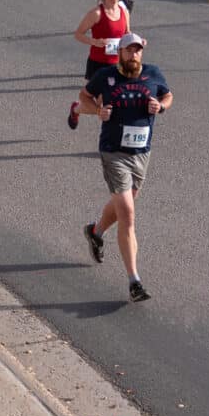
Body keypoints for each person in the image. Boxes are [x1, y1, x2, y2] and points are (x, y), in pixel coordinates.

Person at [76, 32, 172, 303]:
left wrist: (160, 107)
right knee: (128, 213)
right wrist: (98, 111)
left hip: (141, 153)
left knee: (123, 207)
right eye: (128, 50)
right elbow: (83, 97)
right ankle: (134, 281)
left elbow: (168, 96)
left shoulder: (153, 74)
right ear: (120, 52)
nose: (133, 55)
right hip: (113, 152)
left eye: (137, 50)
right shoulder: (106, 76)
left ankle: (95, 232)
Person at [68, 0, 130, 131]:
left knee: (110, 105)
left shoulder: (124, 12)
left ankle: (111, 142)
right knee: (99, 106)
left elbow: (127, 34)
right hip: (98, 64)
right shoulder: (96, 13)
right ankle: (76, 109)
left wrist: (137, 42)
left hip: (117, 65)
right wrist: (94, 41)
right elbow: (78, 34)